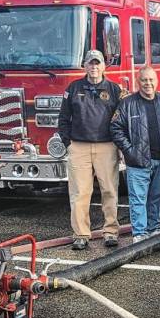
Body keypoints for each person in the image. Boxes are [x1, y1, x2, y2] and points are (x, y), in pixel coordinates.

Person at [57, 50, 122, 250]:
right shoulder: (73, 88)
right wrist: (68, 143)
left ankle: (110, 232)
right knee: (79, 193)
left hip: (106, 146)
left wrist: (118, 146)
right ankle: (81, 234)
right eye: (90, 63)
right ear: (84, 66)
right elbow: (63, 118)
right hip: (79, 146)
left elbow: (121, 119)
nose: (94, 67)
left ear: (104, 66)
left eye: (97, 63)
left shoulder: (114, 89)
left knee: (109, 190)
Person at [111, 66, 160, 243]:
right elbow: (115, 128)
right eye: (144, 80)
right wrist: (130, 152)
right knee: (138, 199)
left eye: (151, 80)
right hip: (137, 162)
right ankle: (139, 233)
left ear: (157, 81)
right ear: (138, 82)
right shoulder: (128, 103)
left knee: (156, 197)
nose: (148, 83)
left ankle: (154, 228)